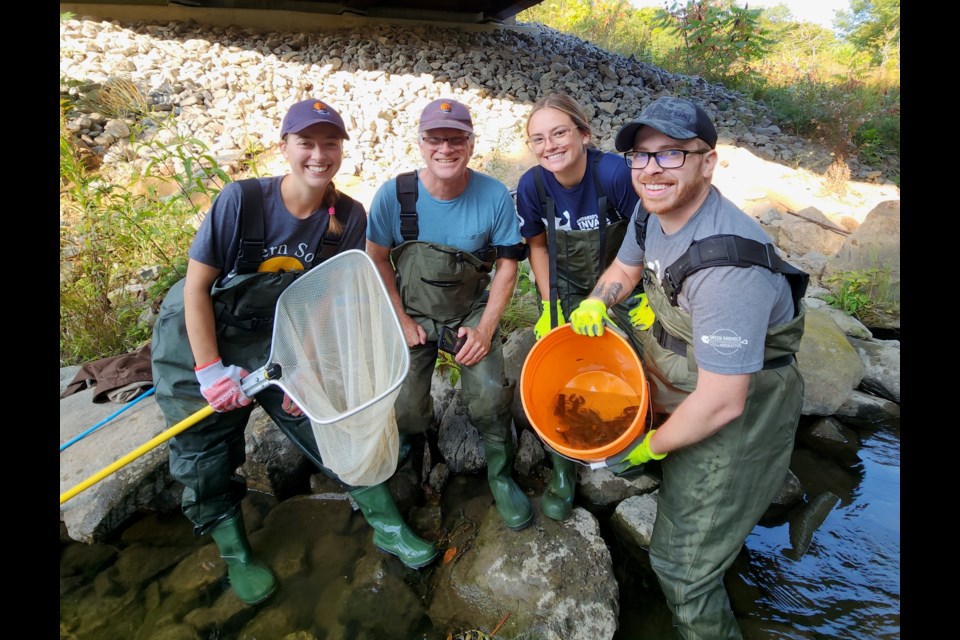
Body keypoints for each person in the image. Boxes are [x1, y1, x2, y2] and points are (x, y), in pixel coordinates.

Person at [151, 98, 438, 607]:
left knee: (329, 417)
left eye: (330, 144)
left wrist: (303, 369)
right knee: (203, 453)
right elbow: (196, 289)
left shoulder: (348, 217)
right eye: (306, 142)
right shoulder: (242, 201)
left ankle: (386, 524)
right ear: (284, 147)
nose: (318, 154)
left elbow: (319, 304)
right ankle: (237, 552)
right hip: (197, 334)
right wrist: (211, 372)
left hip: (277, 333)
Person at [568, 97, 808, 638]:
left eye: (672, 154)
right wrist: (598, 300)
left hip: (735, 408)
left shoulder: (727, 266)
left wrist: (651, 445)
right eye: (641, 155)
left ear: (708, 162)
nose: (651, 169)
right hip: (681, 368)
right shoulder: (649, 208)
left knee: (683, 571)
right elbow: (627, 266)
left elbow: (723, 401)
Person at [366, 98, 533, 531]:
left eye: (456, 138)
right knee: (403, 407)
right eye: (434, 138)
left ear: (471, 143)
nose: (445, 148)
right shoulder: (394, 195)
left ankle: (500, 472)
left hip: (469, 313)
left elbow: (508, 266)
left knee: (491, 396)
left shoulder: (494, 195)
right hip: (413, 314)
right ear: (420, 143)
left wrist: (485, 328)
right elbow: (377, 260)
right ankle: (412, 458)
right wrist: (401, 321)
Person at [515, 92, 644, 522]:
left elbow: (646, 239)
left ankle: (644, 436)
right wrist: (550, 305)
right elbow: (537, 245)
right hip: (566, 285)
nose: (549, 145)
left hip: (624, 284)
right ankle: (562, 469)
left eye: (559, 133)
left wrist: (629, 298)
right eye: (538, 138)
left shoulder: (614, 175)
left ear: (584, 135)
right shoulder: (532, 186)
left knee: (650, 358)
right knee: (558, 366)